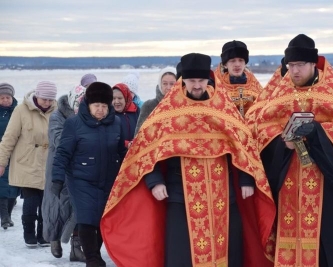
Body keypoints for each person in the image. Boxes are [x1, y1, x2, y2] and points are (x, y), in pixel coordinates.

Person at [101, 53, 276, 267]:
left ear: (208, 80)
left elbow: (242, 144)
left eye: (201, 81)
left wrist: (248, 179)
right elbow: (146, 149)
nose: (196, 86)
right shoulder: (167, 110)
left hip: (222, 194)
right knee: (182, 255)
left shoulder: (222, 107)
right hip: (180, 194)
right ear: (182, 81)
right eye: (192, 81)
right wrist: (154, 181)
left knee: (228, 252)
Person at [254, 34, 333, 266]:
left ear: (314, 64)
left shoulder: (332, 93)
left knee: (328, 240)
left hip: (325, 180)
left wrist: (316, 132)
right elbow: (260, 126)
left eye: (300, 65)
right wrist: (282, 140)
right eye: (291, 66)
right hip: (288, 179)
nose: (294, 71)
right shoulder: (279, 94)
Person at [51, 82, 126, 267]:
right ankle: (92, 258)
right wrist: (57, 179)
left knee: (102, 218)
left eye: (104, 106)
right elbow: (62, 153)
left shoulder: (116, 122)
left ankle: (95, 253)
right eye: (96, 106)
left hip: (108, 178)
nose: (100, 110)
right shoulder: (74, 124)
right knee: (86, 218)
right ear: (88, 104)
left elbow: (120, 151)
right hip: (80, 179)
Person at [0, 81, 57, 247]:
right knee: (31, 201)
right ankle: (29, 234)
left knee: (46, 202)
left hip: (48, 163)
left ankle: (44, 234)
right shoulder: (21, 110)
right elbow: (9, 138)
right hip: (27, 162)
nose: (47, 103)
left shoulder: (57, 111)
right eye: (44, 99)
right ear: (37, 96)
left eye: (50, 100)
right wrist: (2, 162)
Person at [41, 84, 86, 261]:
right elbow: (58, 139)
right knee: (56, 205)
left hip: (78, 167)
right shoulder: (57, 116)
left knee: (76, 206)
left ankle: (76, 247)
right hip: (57, 166)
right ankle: (54, 238)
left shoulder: (85, 115)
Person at [214, 40, 263, 117]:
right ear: (225, 64)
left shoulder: (254, 84)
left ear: (245, 63)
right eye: (232, 61)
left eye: (241, 60)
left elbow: (263, 107)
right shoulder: (217, 85)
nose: (237, 64)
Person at [0, 83, 20, 230]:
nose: (5, 100)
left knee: (14, 186)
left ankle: (9, 215)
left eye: (8, 97)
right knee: (2, 184)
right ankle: (5, 218)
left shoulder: (18, 111)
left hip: (17, 153)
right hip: (1, 152)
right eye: (2, 98)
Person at [134, 66, 176, 135]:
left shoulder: (183, 106)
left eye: (172, 84)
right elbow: (139, 135)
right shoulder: (149, 106)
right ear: (160, 84)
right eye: (165, 83)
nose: (168, 87)